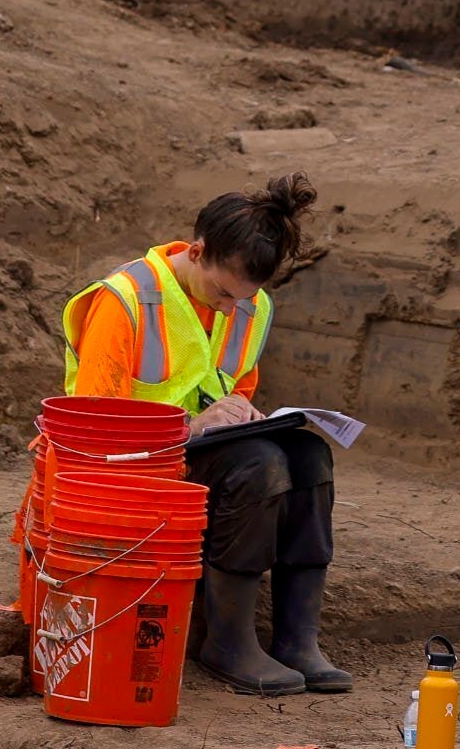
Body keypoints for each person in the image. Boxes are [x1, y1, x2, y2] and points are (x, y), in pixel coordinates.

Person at [60, 173, 346, 697]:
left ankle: (297, 640)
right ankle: (227, 642)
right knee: (261, 465)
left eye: (245, 298)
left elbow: (231, 385)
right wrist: (191, 427)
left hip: (199, 455)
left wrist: (242, 411)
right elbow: (97, 430)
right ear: (195, 251)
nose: (231, 308)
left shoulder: (248, 305)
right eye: (222, 292)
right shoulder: (124, 301)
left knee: (307, 455)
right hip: (130, 470)